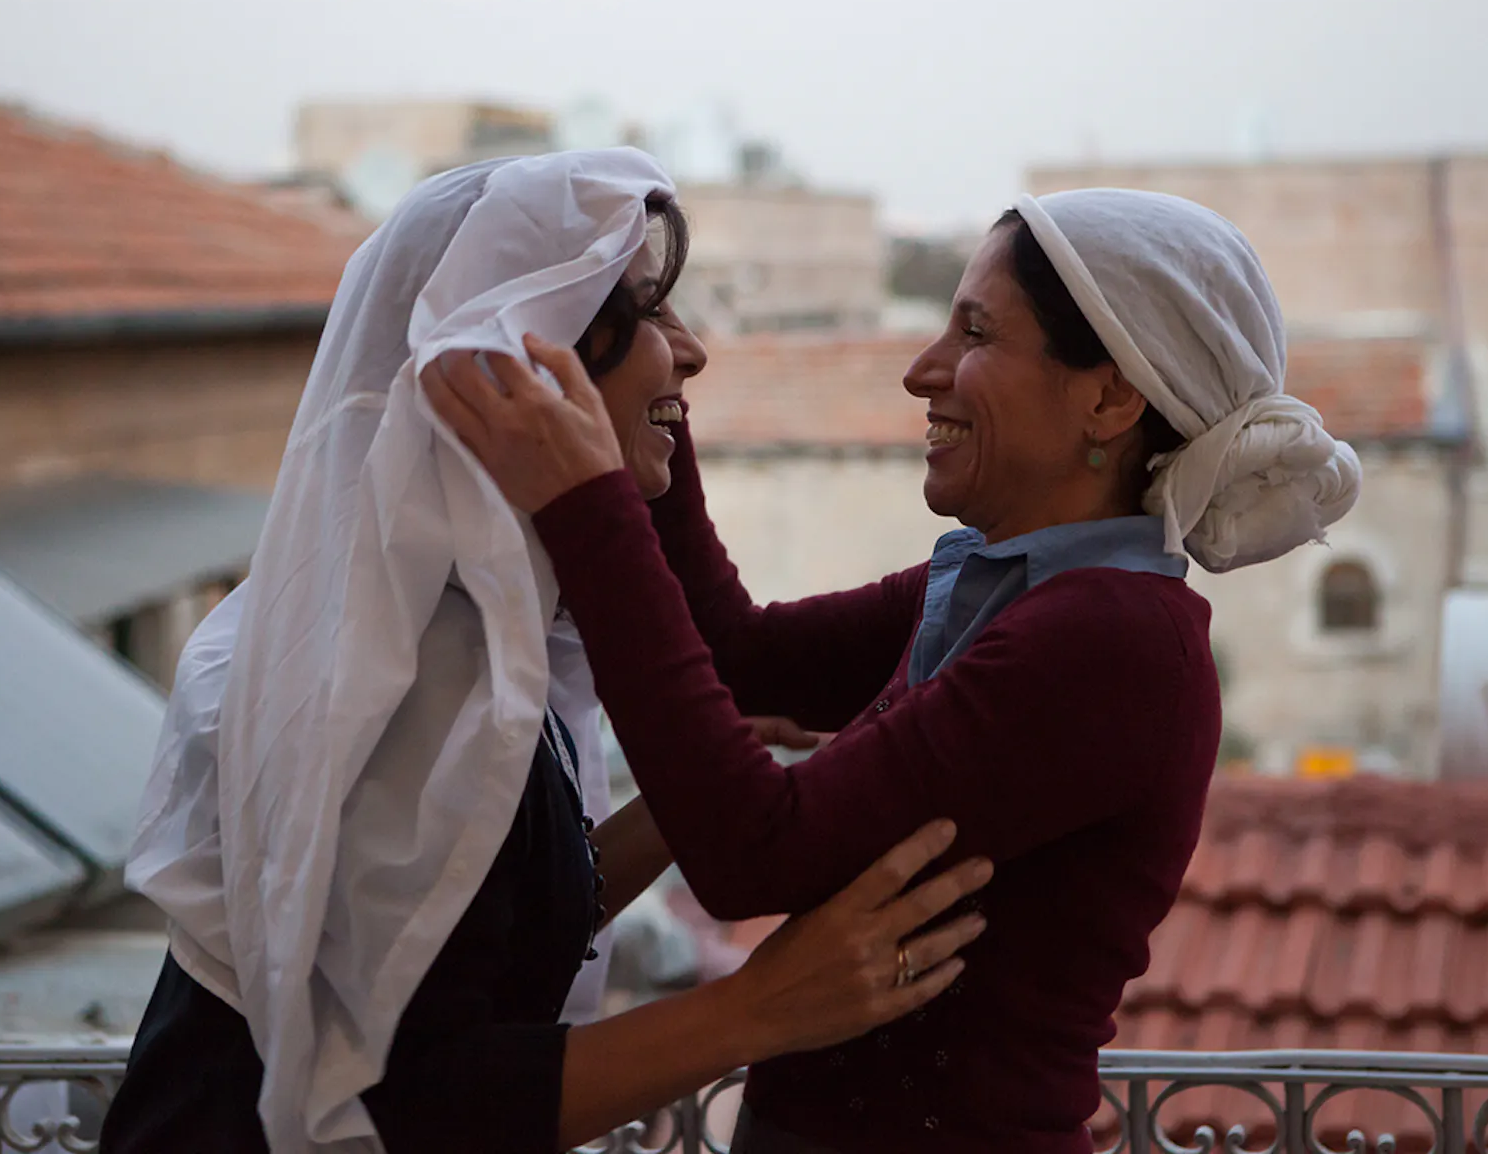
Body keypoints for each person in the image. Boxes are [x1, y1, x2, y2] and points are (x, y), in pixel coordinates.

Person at [426, 186, 1363, 1153]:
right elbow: (742, 660)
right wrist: (641, 382)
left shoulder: (1114, 642)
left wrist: (589, 505)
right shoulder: (1002, 589)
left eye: (975, 335)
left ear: (1110, 395)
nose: (923, 373)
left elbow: (753, 851)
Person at [100, 150, 991, 1154]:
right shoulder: (398, 679)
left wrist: (699, 790)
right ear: (530, 362)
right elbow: (402, 1102)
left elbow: (480, 926)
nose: (691, 354)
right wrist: (762, 1009)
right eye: (649, 315)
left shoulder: (463, 629)